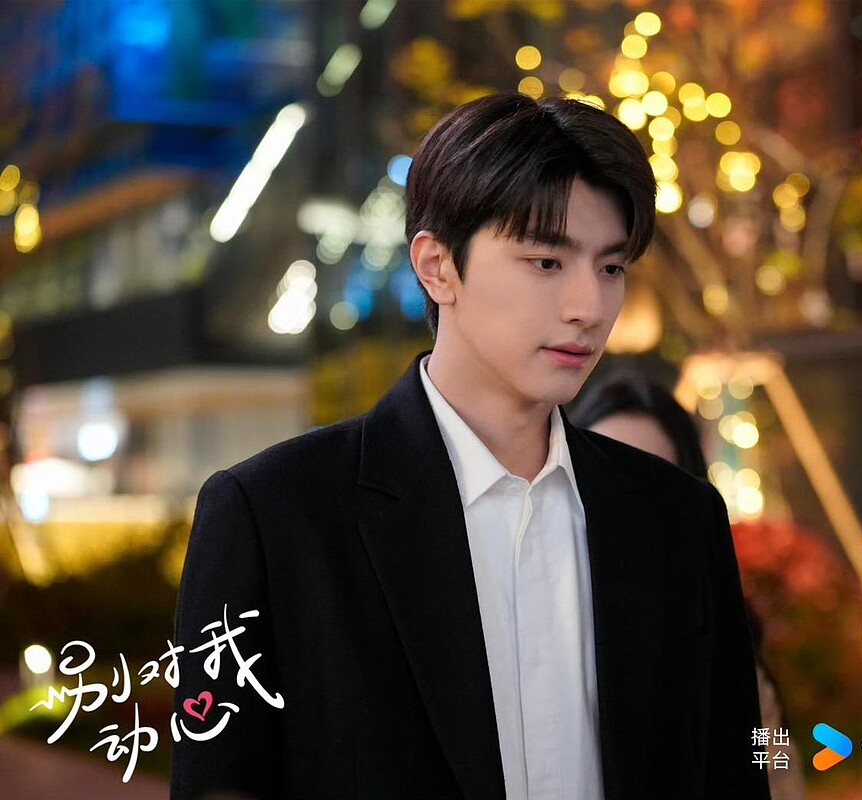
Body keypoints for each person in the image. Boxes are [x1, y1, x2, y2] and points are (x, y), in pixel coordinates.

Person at [171, 92, 769, 800]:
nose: (588, 307)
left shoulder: (679, 519)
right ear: (437, 266)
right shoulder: (275, 517)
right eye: (546, 262)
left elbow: (738, 771)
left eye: (611, 268)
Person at [571, 375, 806, 800]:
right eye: (605, 481)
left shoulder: (723, 650)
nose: (624, 512)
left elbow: (773, 776)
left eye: (649, 484)